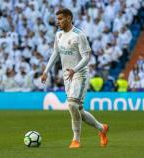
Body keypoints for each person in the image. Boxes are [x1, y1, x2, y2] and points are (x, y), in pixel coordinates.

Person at [41, 8, 109, 149]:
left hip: (80, 74)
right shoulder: (58, 35)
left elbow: (86, 57)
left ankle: (76, 140)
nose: (58, 22)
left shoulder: (79, 35)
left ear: (68, 18)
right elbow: (55, 53)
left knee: (72, 105)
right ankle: (102, 128)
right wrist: (46, 71)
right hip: (67, 76)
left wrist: (75, 69)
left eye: (60, 19)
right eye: (57, 19)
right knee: (79, 111)